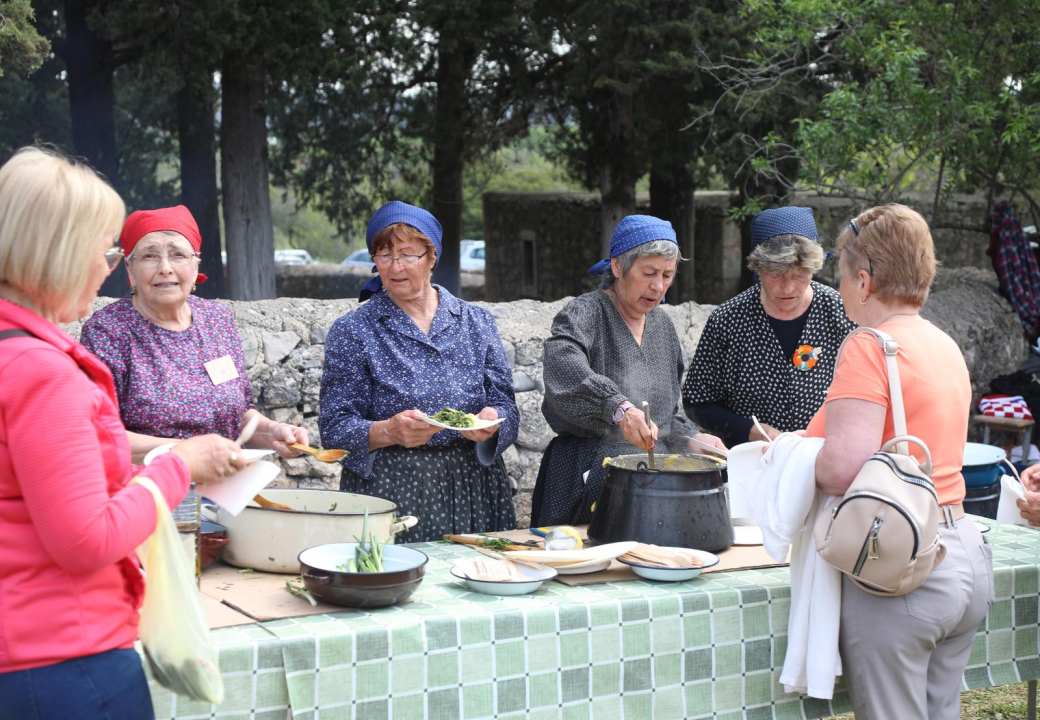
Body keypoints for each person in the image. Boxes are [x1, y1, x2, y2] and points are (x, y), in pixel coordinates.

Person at [0, 147, 243, 718]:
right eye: (109, 251)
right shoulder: (43, 372)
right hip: (63, 660)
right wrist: (178, 465)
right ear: (58, 253)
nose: (111, 267)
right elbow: (85, 540)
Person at [806, 204, 992, 719]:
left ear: (864, 282)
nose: (840, 289)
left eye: (842, 276)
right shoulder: (944, 343)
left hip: (903, 563)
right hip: (963, 547)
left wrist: (789, 461)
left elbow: (843, 468)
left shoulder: (869, 346)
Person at [319, 201, 519, 542]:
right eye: (384, 255)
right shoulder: (354, 330)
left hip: (473, 486)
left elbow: (507, 408)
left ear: (431, 257)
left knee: (478, 573)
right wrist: (388, 431)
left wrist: (492, 423)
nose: (395, 266)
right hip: (392, 488)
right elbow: (335, 429)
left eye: (408, 254)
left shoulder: (476, 322)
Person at [531, 215, 726, 527]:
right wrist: (619, 408)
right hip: (587, 475)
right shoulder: (585, 313)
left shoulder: (663, 326)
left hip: (653, 483)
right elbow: (564, 366)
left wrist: (694, 439)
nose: (658, 286)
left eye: (667, 274)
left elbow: (664, 417)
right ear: (618, 267)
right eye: (648, 273)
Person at [80, 205, 308, 461]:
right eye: (149, 256)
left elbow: (239, 415)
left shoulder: (217, 320)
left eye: (178, 255)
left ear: (196, 264)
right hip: (152, 482)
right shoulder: (108, 332)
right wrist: (190, 453)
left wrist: (272, 432)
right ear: (130, 269)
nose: (165, 268)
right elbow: (99, 433)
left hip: (228, 480)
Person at [683, 206, 855, 448]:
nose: (788, 287)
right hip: (752, 456)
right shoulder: (729, 320)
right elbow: (697, 402)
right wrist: (747, 430)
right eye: (776, 275)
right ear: (758, 269)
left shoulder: (842, 312)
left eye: (799, 274)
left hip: (823, 454)